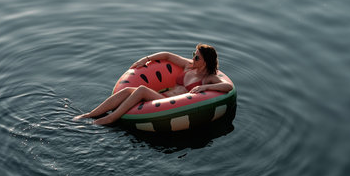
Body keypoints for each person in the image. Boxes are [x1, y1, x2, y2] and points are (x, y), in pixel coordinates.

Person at [75, 44, 234, 125]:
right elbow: (167, 55)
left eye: (197, 57)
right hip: (162, 97)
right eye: (194, 54)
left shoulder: (208, 78)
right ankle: (90, 115)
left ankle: (109, 119)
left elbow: (227, 87)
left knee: (142, 89)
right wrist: (145, 59)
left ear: (206, 61)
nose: (193, 58)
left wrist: (205, 88)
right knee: (128, 90)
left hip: (169, 103)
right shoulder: (188, 66)